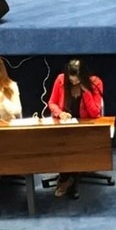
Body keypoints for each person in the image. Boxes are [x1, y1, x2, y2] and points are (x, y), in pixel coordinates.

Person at [47, 58, 104, 198]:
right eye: (71, 80)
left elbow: (95, 112)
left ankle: (68, 179)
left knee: (73, 145)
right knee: (60, 143)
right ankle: (68, 176)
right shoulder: (60, 80)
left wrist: (86, 92)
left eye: (76, 81)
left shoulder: (95, 83)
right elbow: (52, 103)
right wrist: (60, 113)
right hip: (65, 127)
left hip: (85, 128)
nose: (73, 83)